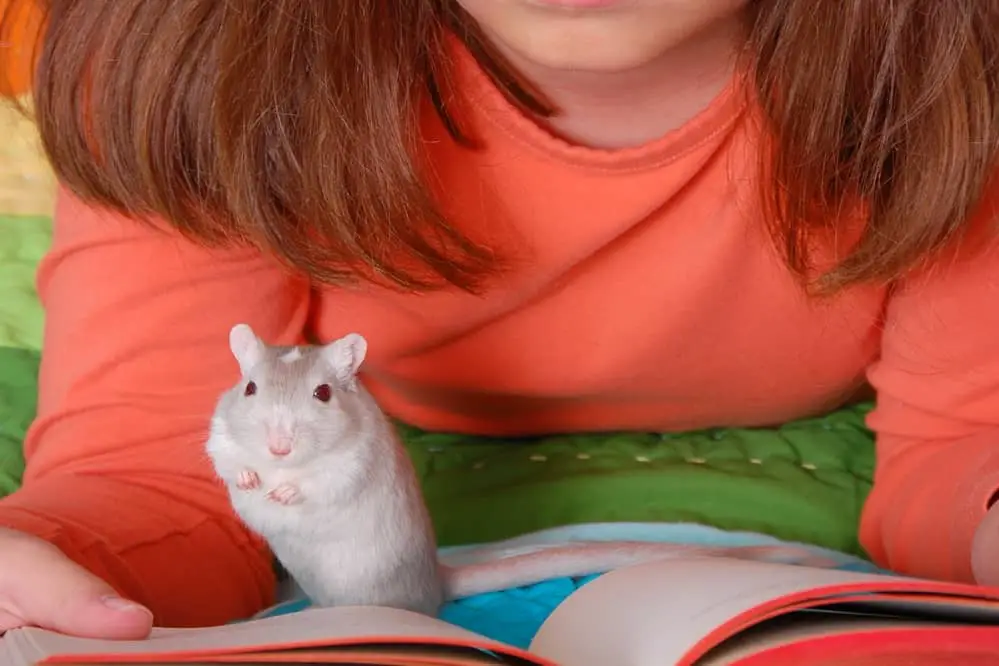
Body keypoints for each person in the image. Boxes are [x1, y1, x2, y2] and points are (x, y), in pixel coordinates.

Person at [0, 0, 997, 641]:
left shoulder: (961, 67)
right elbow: (147, 476)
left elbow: (970, 438)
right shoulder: (204, 49)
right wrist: (44, 561)